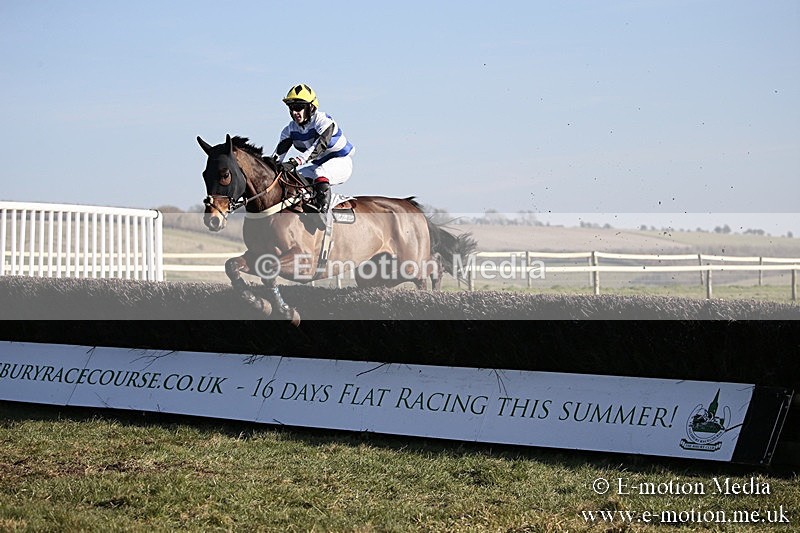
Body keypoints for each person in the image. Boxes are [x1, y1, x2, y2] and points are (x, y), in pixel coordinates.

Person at [272, 84, 354, 220]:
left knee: (320, 173)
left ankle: (322, 213)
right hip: (318, 164)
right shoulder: (289, 130)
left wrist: (295, 162)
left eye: (298, 107)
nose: (294, 112)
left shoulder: (323, 121)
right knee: (294, 179)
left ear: (311, 107)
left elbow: (318, 147)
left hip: (341, 161)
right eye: (291, 108)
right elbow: (276, 158)